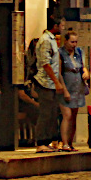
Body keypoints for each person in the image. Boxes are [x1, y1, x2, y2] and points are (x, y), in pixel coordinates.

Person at [33, 15, 66, 153]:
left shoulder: (52, 40)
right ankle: (41, 141)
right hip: (45, 82)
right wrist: (56, 81)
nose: (63, 28)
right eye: (62, 25)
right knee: (45, 113)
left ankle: (48, 140)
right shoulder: (46, 40)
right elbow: (46, 63)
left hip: (51, 83)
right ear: (56, 26)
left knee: (52, 113)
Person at [57, 30, 90, 152]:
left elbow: (83, 65)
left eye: (75, 42)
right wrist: (64, 90)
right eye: (72, 42)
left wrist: (86, 72)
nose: (74, 44)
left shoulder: (79, 52)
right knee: (67, 115)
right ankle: (64, 142)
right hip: (67, 85)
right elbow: (59, 73)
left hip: (78, 87)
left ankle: (70, 142)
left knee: (74, 116)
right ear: (66, 41)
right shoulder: (60, 53)